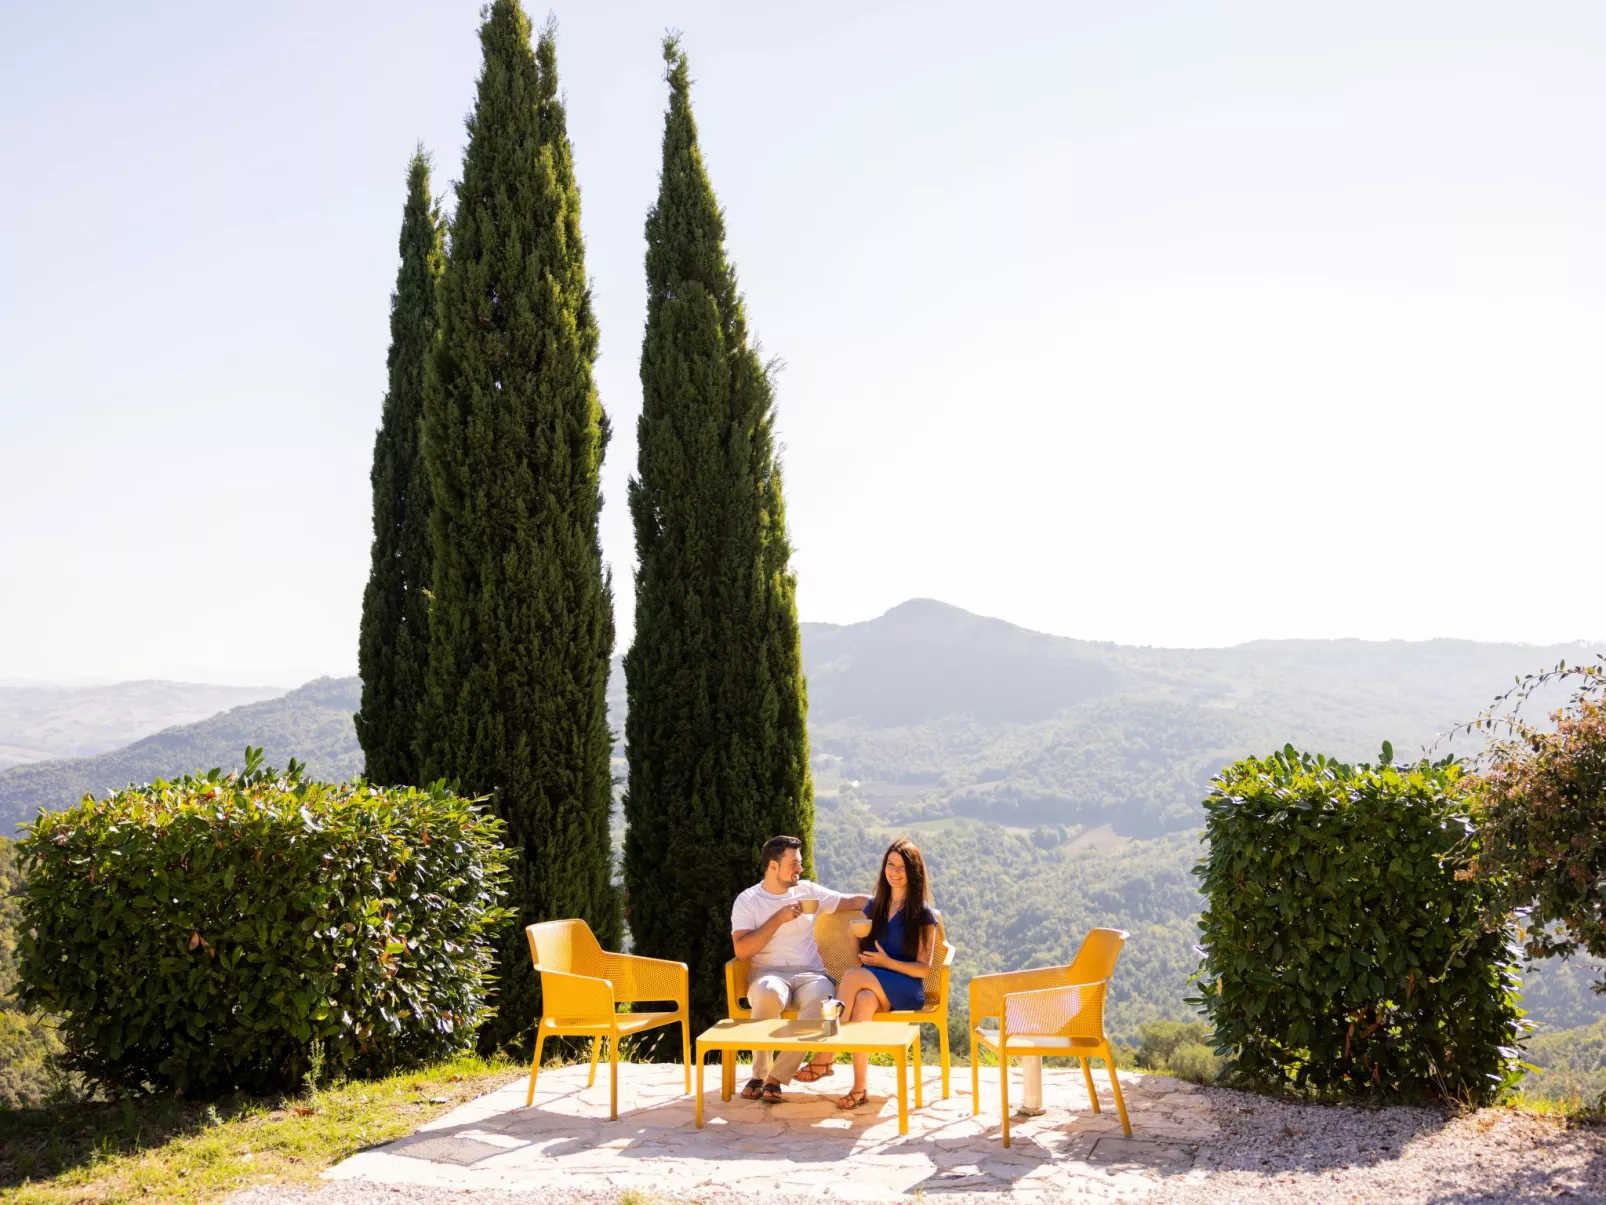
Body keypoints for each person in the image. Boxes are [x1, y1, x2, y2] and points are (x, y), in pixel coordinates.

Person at [731, 835, 870, 1103]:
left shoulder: (808, 891)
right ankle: (759, 1074)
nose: (800, 869)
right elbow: (742, 951)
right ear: (773, 866)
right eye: (794, 863)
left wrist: (895, 903)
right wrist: (778, 919)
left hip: (811, 974)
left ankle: (775, 1078)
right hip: (768, 973)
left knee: (821, 1003)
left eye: (800, 863)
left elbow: (849, 901)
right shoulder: (748, 900)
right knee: (767, 993)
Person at [833, 838, 938, 1110]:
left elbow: (924, 968)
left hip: (906, 987)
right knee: (864, 1000)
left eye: (901, 867)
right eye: (890, 865)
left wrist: (887, 962)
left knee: (853, 977)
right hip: (875, 983)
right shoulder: (875, 905)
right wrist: (852, 937)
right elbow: (861, 957)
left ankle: (825, 1054)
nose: (894, 872)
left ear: (913, 872)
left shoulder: (923, 914)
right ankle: (859, 1088)